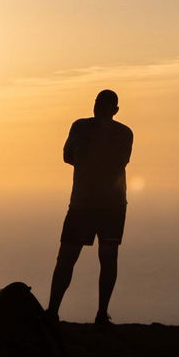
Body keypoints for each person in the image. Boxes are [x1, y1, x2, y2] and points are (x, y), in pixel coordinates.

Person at [45, 89, 134, 326]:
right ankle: (101, 314)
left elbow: (67, 156)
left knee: (66, 258)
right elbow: (120, 161)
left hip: (83, 203)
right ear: (115, 110)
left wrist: (88, 159)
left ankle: (52, 311)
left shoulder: (80, 127)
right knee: (108, 258)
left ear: (95, 105)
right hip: (113, 205)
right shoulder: (124, 133)